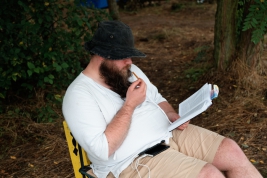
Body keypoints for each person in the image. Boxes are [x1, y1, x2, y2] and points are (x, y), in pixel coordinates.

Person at [62, 20, 262, 178]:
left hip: (168, 133)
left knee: (232, 151)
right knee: (209, 175)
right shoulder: (79, 95)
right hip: (133, 161)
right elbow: (102, 150)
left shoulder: (128, 71)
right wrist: (130, 105)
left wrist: (171, 114)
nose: (129, 62)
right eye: (123, 56)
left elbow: (158, 98)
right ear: (101, 56)